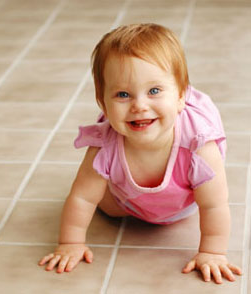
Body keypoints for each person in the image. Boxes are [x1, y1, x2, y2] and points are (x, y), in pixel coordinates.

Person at [38, 23, 243, 284]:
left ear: (181, 96)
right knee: (105, 205)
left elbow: (214, 205)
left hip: (182, 204)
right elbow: (81, 198)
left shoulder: (197, 145)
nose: (139, 106)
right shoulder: (105, 145)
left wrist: (212, 252)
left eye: (154, 91)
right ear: (103, 103)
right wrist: (70, 242)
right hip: (126, 202)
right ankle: (126, 201)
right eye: (123, 94)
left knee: (209, 194)